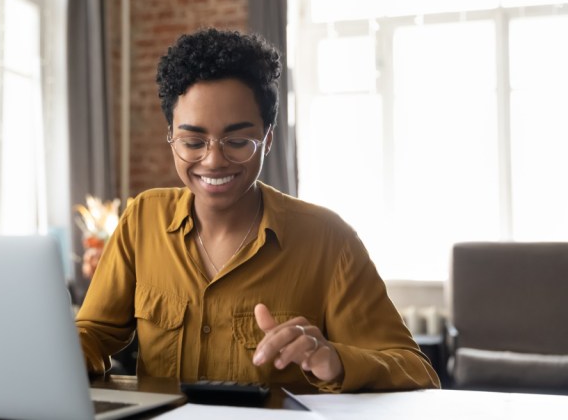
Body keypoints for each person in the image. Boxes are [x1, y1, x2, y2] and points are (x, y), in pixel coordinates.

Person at [75, 28, 440, 392]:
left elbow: (417, 371)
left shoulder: (329, 240)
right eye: (193, 141)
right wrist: (66, 350)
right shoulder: (143, 219)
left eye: (237, 141)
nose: (213, 160)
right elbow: (93, 333)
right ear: (171, 136)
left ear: (267, 139)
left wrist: (335, 360)